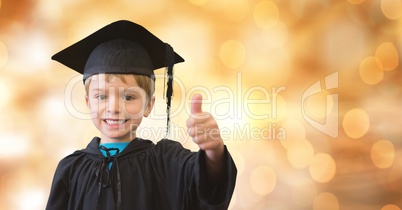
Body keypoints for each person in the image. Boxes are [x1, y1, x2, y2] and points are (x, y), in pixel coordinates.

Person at [45, 20, 237, 210]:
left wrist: (214, 151)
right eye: (102, 96)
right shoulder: (71, 169)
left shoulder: (164, 161)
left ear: (148, 105)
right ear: (88, 102)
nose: (114, 107)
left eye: (129, 97)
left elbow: (207, 184)